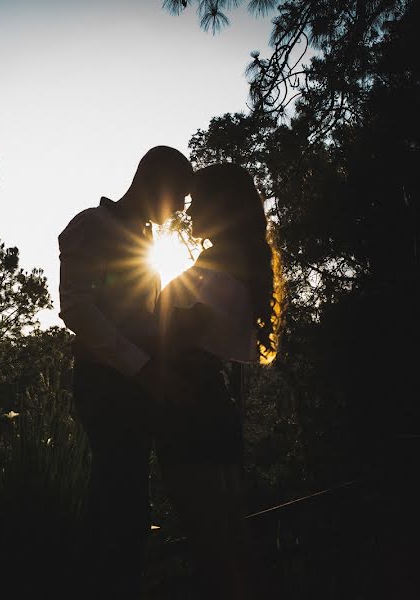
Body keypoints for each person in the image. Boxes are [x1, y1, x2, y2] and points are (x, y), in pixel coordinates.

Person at [58, 145, 192, 599]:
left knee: (122, 500)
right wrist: (142, 367)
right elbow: (76, 307)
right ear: (154, 184)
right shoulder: (89, 226)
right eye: (178, 199)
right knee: (123, 503)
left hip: (136, 388)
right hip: (106, 386)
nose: (179, 211)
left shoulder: (148, 241)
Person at [155, 162, 282, 599]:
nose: (189, 214)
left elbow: (177, 338)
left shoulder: (218, 267)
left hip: (192, 411)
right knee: (230, 541)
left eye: (198, 203)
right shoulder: (232, 261)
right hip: (210, 407)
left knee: (215, 548)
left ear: (222, 205)